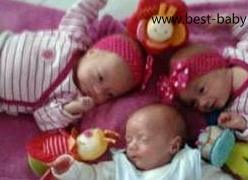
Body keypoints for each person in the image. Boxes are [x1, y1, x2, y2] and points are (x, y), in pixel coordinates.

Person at [0, 0, 150, 131]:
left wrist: (73, 108)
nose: (98, 90)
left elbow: (44, 118)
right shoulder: (73, 38)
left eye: (109, 94)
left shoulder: (71, 96)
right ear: (92, 52)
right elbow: (82, 12)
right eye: (100, 77)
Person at [51, 104, 233, 180]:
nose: (131, 145)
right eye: (129, 139)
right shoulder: (122, 169)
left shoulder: (187, 163)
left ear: (173, 146)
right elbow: (93, 176)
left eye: (142, 139)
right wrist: (71, 170)